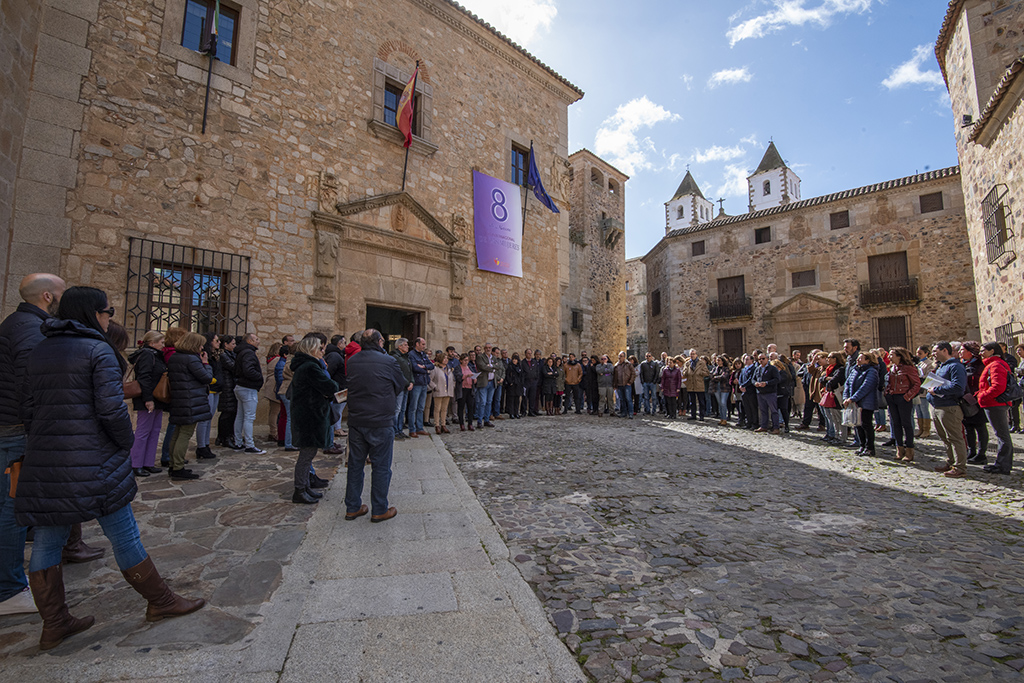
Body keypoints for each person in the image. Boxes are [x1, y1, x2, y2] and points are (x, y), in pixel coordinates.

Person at [17, 286, 204, 649]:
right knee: (124, 532)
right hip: (94, 457)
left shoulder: (40, 350)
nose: (109, 318)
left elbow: (28, 408)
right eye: (107, 311)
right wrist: (124, 442)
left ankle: (54, 622)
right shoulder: (96, 350)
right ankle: (161, 600)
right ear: (92, 313)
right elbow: (111, 407)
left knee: (48, 538)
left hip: (47, 457)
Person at [344, 330, 405, 523]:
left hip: (357, 419)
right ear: (380, 342)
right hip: (380, 419)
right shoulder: (387, 361)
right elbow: (400, 383)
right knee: (381, 466)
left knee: (355, 464)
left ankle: (352, 507)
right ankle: (379, 509)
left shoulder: (352, 361)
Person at [288, 336, 339, 504]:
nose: (323, 352)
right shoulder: (310, 367)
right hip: (309, 417)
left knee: (308, 455)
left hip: (308, 415)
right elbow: (330, 386)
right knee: (306, 456)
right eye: (320, 349)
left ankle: (305, 486)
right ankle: (300, 489)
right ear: (312, 350)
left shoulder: (307, 366)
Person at [166, 332, 214, 480]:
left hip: (179, 400)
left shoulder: (175, 357)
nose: (201, 347)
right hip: (190, 401)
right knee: (185, 434)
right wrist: (205, 363)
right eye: (200, 344)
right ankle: (178, 467)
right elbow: (206, 378)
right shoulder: (191, 359)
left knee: (177, 433)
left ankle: (173, 464)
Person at [127, 331, 169, 477]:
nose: (163, 346)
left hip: (156, 397)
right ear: (152, 343)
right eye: (161, 343)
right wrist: (148, 399)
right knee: (143, 430)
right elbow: (144, 377)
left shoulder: (156, 355)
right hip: (148, 397)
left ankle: (148, 462)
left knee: (155, 429)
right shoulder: (147, 355)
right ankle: (136, 463)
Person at [927, 341, 969, 478]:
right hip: (938, 406)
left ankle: (960, 466)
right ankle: (951, 462)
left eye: (935, 351)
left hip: (949, 406)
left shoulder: (956, 366)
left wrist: (936, 389)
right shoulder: (941, 366)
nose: (933, 354)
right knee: (945, 438)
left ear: (945, 350)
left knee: (955, 438)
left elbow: (958, 387)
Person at [978, 341, 1015, 474]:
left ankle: (1003, 465)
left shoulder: (995, 365)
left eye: (983, 350)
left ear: (992, 351)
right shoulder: (993, 364)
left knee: (1002, 435)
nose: (981, 353)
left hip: (995, 404)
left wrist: (983, 397)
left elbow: (998, 386)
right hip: (993, 403)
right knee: (1001, 434)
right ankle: (1001, 463)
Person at [884, 347, 922, 462]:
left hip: (903, 398)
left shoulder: (909, 368)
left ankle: (909, 449)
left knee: (906, 424)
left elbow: (916, 384)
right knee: (895, 423)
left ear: (899, 356)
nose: (889, 357)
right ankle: (899, 448)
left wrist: (907, 396)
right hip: (892, 397)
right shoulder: (892, 368)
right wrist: (887, 392)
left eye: (892, 354)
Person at [233, 333, 265, 454]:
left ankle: (238, 442)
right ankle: (249, 445)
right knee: (249, 417)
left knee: (240, 416)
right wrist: (259, 378)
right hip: (247, 387)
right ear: (250, 341)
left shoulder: (242, 352)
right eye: (256, 339)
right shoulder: (248, 353)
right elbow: (248, 370)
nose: (258, 341)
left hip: (241, 386)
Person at [959, 341, 989, 465]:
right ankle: (972, 451)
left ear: (970, 352)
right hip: (965, 401)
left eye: (962, 350)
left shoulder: (980, 365)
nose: (960, 352)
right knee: (968, 428)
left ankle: (982, 454)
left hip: (977, 400)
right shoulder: (962, 365)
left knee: (980, 427)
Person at [194, 333, 222, 459]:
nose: (219, 342)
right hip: (209, 389)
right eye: (216, 340)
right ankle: (201, 446)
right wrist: (214, 380)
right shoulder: (204, 356)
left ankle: (205, 444)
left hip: (215, 390)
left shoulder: (215, 355)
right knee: (204, 419)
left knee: (209, 418)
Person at [215, 334, 238, 447]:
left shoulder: (230, 354)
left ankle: (224, 436)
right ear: (226, 344)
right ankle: (225, 437)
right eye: (233, 343)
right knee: (227, 413)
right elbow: (233, 366)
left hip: (231, 385)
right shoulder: (223, 355)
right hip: (227, 386)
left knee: (230, 412)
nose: (235, 346)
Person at [820, 351, 847, 444]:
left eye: (830, 357)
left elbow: (834, 380)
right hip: (831, 394)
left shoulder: (840, 369)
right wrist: (827, 378)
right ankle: (836, 435)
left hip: (837, 395)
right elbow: (822, 379)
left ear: (835, 359)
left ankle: (842, 437)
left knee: (839, 418)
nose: (828, 359)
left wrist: (828, 379)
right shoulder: (829, 369)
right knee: (833, 417)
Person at [260, 342, 283, 443]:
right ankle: (274, 432)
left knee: (273, 411)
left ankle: (273, 432)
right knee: (275, 412)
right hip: (274, 387)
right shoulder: (277, 359)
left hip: (270, 386)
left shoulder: (271, 359)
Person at [753, 353, 780, 434]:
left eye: (763, 358)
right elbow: (753, 379)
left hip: (770, 393)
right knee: (763, 410)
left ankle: (776, 427)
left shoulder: (772, 368)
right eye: (759, 359)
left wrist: (767, 383)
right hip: (760, 393)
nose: (761, 360)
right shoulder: (757, 369)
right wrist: (755, 383)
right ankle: (764, 426)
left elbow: (777, 379)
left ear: (767, 359)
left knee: (773, 411)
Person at [391, 338, 413, 439]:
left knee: (403, 410)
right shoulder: (396, 357)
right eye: (405, 345)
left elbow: (410, 371)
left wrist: (412, 382)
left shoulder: (406, 357)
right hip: (400, 387)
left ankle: (400, 429)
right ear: (399, 346)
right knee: (397, 409)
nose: (407, 346)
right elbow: (398, 373)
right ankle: (394, 431)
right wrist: (407, 383)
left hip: (406, 386)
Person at [429, 350, 455, 433]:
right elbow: (430, 380)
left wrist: (452, 386)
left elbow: (452, 379)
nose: (446, 360)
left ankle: (443, 424)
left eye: (447, 358)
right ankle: (437, 425)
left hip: (447, 391)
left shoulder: (449, 369)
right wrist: (435, 387)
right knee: (437, 409)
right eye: (444, 358)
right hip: (439, 391)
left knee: (444, 409)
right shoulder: (435, 368)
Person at [914, 345, 934, 438]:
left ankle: (926, 429)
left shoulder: (929, 363)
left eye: (920, 353)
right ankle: (920, 428)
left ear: (926, 353)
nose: (918, 355)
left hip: (924, 389)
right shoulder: (918, 363)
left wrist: (921, 378)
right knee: (918, 410)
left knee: (924, 409)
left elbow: (929, 376)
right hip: (917, 389)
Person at [474, 344, 496, 428]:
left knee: (489, 402)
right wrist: (493, 368)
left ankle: (487, 420)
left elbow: (499, 366)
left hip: (492, 382)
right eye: (486, 348)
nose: (488, 349)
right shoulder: (480, 357)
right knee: (482, 402)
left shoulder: (493, 357)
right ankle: (480, 421)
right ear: (484, 349)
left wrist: (490, 366)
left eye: (489, 348)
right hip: (484, 382)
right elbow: (482, 367)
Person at [681, 349, 707, 421]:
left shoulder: (701, 363)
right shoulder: (687, 363)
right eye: (691, 354)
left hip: (699, 384)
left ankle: (702, 415)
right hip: (690, 384)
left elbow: (706, 372)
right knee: (692, 401)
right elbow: (684, 372)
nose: (692, 355)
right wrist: (686, 372)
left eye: (693, 354)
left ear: (696, 355)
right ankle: (693, 415)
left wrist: (700, 372)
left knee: (701, 401)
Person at [709, 355, 731, 426]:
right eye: (717, 360)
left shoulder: (726, 368)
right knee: (719, 403)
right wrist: (716, 377)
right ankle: (721, 418)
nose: (717, 362)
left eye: (719, 360)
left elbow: (724, 377)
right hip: (716, 388)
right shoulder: (715, 368)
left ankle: (724, 418)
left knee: (723, 403)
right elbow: (711, 375)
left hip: (724, 388)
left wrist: (715, 377)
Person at [457, 353, 476, 430]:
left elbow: (474, 375)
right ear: (461, 360)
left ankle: (470, 424)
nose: (466, 362)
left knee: (470, 407)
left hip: (470, 389)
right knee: (461, 407)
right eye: (465, 360)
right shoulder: (458, 368)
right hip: (462, 389)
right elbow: (458, 377)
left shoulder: (470, 367)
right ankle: (461, 423)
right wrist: (465, 376)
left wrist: (475, 379)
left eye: (467, 360)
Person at [505, 353, 524, 419]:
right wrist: (510, 382)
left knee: (517, 400)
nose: (514, 360)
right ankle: (511, 413)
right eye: (513, 359)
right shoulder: (510, 367)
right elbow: (507, 375)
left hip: (518, 385)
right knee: (511, 400)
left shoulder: (519, 367)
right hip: (512, 385)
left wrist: (521, 383)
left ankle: (516, 412)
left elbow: (522, 376)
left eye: (516, 359)